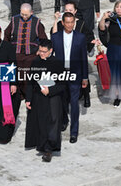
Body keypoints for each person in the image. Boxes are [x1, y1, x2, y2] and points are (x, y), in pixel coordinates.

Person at [25, 39, 66, 162]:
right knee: (40, 121)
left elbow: (63, 83)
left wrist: (51, 90)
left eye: (44, 51)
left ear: (50, 51)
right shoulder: (35, 61)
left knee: (52, 121)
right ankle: (41, 145)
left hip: (53, 97)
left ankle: (49, 149)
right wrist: (28, 99)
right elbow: (30, 82)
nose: (41, 54)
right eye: (40, 51)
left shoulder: (58, 63)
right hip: (38, 97)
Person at [51, 12, 89, 144]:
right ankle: (64, 120)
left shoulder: (80, 37)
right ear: (62, 23)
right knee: (61, 100)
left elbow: (84, 57)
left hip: (75, 74)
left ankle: (74, 132)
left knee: (74, 103)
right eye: (67, 22)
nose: (70, 25)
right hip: (60, 74)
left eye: (72, 22)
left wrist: (85, 77)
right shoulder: (55, 37)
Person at [51, 1, 95, 107]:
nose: (68, 11)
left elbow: (89, 36)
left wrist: (89, 44)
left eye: (70, 10)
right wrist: (56, 19)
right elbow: (54, 35)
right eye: (66, 10)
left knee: (83, 75)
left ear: (75, 11)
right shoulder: (61, 23)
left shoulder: (81, 23)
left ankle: (86, 95)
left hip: (78, 54)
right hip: (66, 56)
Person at [4, 3, 48, 99]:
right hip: (16, 53)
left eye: (26, 15)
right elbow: (6, 33)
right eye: (22, 14)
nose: (24, 17)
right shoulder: (14, 20)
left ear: (31, 12)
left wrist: (40, 50)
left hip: (31, 54)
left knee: (27, 76)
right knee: (17, 74)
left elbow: (44, 39)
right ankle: (18, 94)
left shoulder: (37, 23)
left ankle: (28, 95)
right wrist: (6, 47)